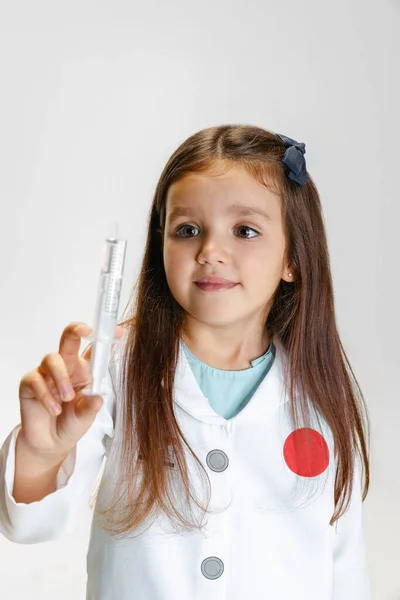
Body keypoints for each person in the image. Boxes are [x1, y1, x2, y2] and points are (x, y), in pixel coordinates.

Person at [0, 125, 371, 599]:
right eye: (188, 229)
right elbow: (29, 523)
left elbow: (346, 571)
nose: (211, 251)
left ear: (292, 258)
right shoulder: (114, 369)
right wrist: (42, 451)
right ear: (161, 245)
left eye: (245, 230)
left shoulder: (320, 395)